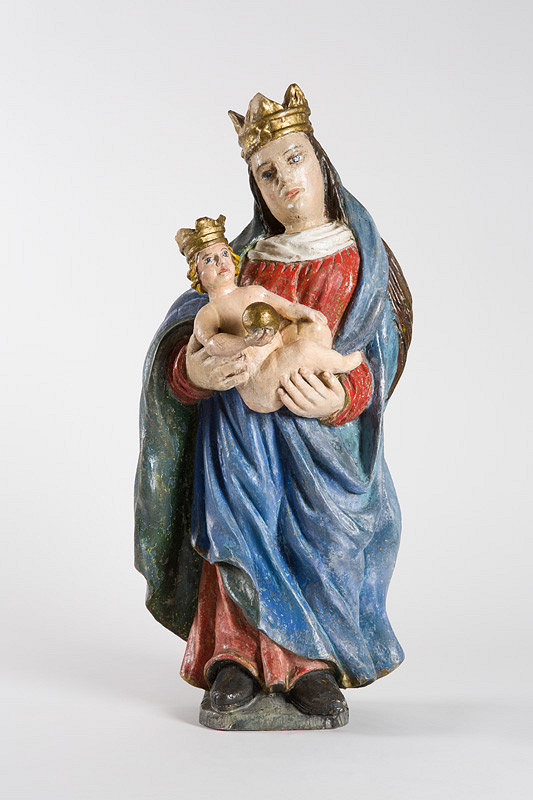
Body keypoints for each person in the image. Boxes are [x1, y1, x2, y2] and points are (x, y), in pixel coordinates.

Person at [135, 84, 412, 722]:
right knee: (238, 531)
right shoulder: (244, 264)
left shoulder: (360, 261)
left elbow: (377, 353)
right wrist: (193, 371)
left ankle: (313, 664)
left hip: (321, 446)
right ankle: (233, 658)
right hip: (238, 438)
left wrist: (344, 397)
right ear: (256, 189)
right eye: (266, 172)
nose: (285, 179)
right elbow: (188, 338)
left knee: (325, 540)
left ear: (320, 162)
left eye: (294, 158)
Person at [176, 215, 363, 414]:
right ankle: (341, 363)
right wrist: (246, 342)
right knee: (302, 350)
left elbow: (286, 307)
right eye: (208, 260)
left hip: (278, 355)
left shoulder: (253, 292)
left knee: (315, 329)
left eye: (224, 254)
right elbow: (213, 344)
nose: (219, 261)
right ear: (196, 274)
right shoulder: (209, 313)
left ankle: (315, 376)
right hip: (259, 381)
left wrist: (304, 311)